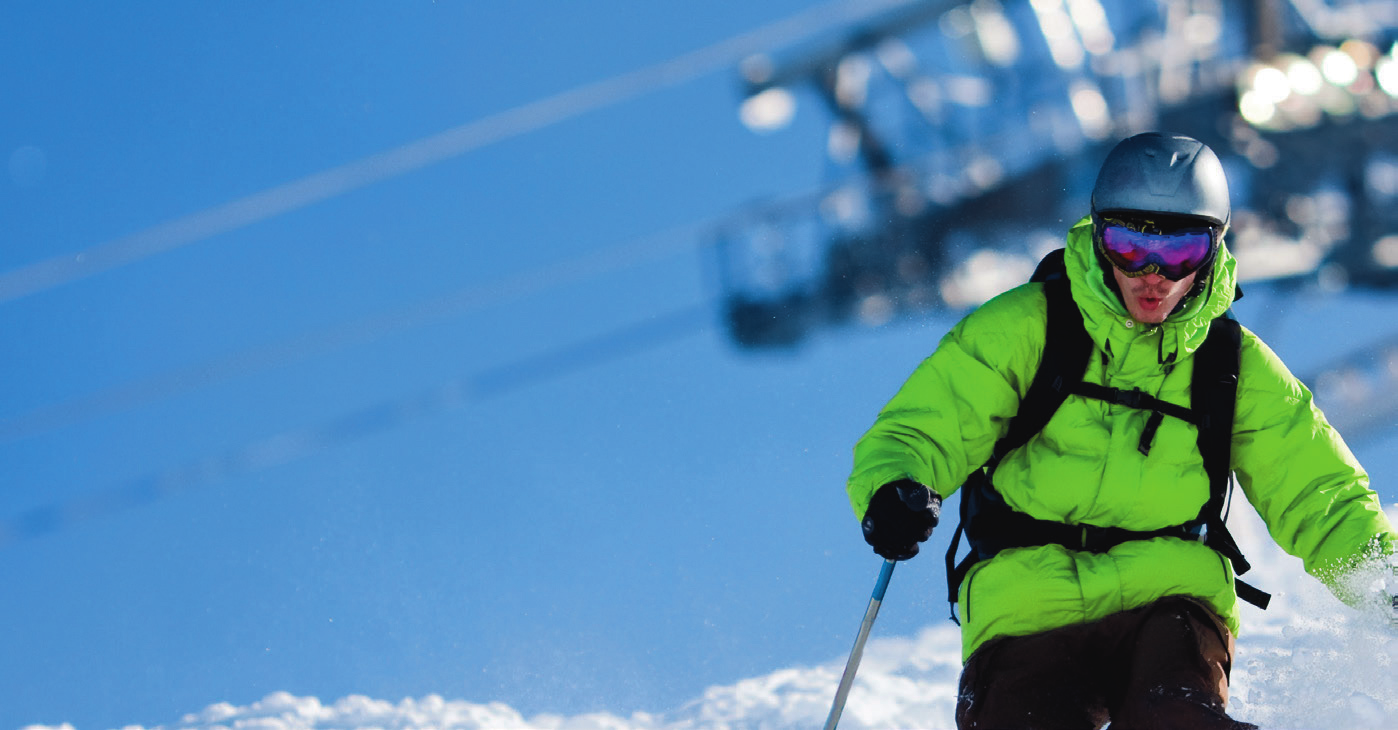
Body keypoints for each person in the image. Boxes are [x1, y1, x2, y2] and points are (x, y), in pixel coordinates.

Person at [846, 132, 1398, 729]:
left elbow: (1315, 488)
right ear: (1099, 235)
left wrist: (1380, 578)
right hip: (1029, 596)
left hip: (1171, 596)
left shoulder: (1229, 364)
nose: (1153, 274)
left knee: (1176, 717)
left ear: (1214, 248)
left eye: (1181, 250)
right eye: (1130, 246)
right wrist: (896, 489)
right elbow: (923, 429)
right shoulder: (1028, 328)